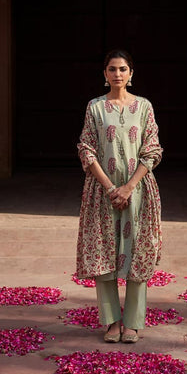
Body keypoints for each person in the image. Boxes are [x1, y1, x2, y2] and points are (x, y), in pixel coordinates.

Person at [76, 49, 163, 343]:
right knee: (105, 254)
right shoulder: (95, 108)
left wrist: (128, 187)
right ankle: (112, 322)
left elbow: (152, 148)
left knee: (138, 253)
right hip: (102, 192)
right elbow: (86, 148)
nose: (117, 74)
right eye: (112, 69)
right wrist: (111, 187)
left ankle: (134, 323)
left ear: (131, 74)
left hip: (139, 193)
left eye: (123, 69)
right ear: (104, 75)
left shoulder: (144, 107)